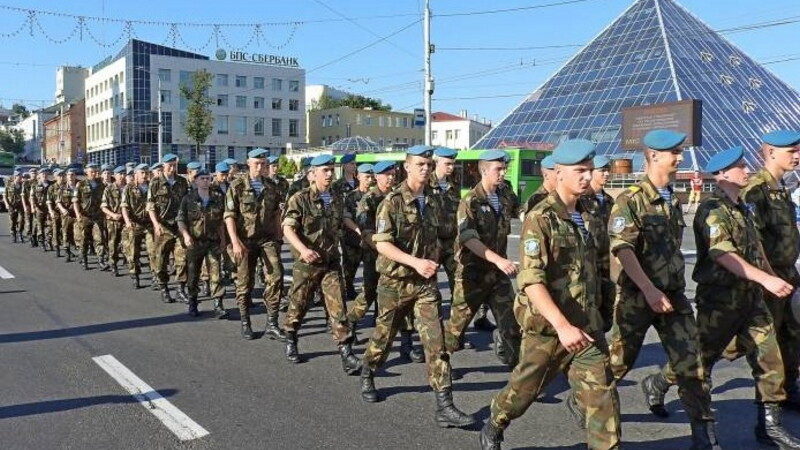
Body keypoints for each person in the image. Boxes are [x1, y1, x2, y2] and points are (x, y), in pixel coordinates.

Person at [647, 145, 800, 448]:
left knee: (770, 357)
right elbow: (722, 254)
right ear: (723, 175)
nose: (747, 171)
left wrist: (772, 277)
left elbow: (756, 250)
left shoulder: (744, 206)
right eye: (740, 168)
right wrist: (765, 279)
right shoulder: (711, 209)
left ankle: (768, 426)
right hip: (720, 299)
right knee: (702, 359)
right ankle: (663, 385)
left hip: (751, 298)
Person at [480, 139, 620, 450]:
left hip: (586, 325)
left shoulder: (591, 213)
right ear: (558, 174)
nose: (587, 176)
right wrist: (561, 326)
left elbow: (599, 266)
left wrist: (604, 310)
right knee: (526, 388)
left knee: (603, 399)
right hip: (548, 326)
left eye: (589, 170)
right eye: (579, 171)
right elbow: (531, 280)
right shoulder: (541, 217)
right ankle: (497, 419)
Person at [607, 129, 716, 447]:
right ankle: (588, 401)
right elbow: (623, 249)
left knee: (692, 364)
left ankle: (703, 433)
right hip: (639, 296)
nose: (680, 158)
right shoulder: (631, 200)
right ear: (654, 156)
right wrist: (649, 290)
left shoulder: (673, 199)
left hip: (674, 296)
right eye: (675, 153)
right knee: (619, 362)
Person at [358, 146, 475, 429]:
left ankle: (444, 404)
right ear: (407, 167)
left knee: (436, 342)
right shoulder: (392, 202)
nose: (426, 168)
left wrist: (449, 258)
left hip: (425, 285)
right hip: (395, 282)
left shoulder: (434, 200)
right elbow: (382, 244)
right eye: (420, 164)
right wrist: (415, 262)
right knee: (384, 338)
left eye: (429, 164)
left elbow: (445, 235)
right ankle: (368, 371)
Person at [280, 154, 360, 374]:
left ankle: (347, 353)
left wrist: (358, 230)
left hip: (331, 261)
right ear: (312, 174)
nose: (329, 174)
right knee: (298, 305)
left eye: (331, 170)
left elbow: (344, 218)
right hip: (308, 263)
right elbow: (287, 228)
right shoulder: (300, 198)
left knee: (338, 308)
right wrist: (303, 250)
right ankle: (291, 337)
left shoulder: (336, 196)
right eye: (325, 170)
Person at [740, 129, 800, 410]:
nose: (798, 156)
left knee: (791, 334)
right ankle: (664, 380)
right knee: (752, 345)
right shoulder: (756, 190)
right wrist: (769, 277)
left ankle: (789, 389)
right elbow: (754, 240)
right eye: (792, 152)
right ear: (771, 153)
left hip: (788, 274)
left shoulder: (781, 188)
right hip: (769, 278)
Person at [444, 150, 521, 368]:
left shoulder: (505, 194)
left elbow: (520, 212)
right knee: (455, 330)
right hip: (473, 274)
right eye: (498, 169)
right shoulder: (471, 200)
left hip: (498, 275)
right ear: (484, 171)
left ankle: (518, 375)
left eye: (504, 168)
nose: (503, 173)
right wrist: (498, 260)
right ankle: (440, 365)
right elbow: (468, 237)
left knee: (512, 324)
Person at [224, 148, 286, 339]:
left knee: (276, 276)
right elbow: (229, 216)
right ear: (248, 164)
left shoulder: (271, 186)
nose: (261, 167)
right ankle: (245, 321)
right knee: (244, 282)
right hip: (245, 241)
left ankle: (272, 322)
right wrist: (235, 242)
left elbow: (276, 212)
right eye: (257, 163)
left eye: (264, 163)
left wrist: (278, 236)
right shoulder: (237, 186)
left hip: (266, 239)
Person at [178, 168, 227, 317]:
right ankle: (193, 302)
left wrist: (224, 240)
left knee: (216, 272)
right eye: (202, 178)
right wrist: (186, 236)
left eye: (207, 178)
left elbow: (221, 222)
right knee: (193, 274)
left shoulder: (218, 197)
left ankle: (218, 304)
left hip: (212, 241)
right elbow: (181, 220)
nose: (206, 181)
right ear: (195, 181)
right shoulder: (188, 199)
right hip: (195, 242)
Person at [147, 153, 190, 303]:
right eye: (170, 165)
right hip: (163, 226)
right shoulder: (155, 183)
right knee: (161, 259)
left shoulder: (182, 182)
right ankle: (164, 287)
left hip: (179, 225)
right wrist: (156, 224)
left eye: (175, 165)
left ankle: (180, 288)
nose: (172, 168)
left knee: (182, 258)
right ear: (163, 166)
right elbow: (150, 206)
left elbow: (187, 203)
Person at [578, 154, 615, 331]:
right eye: (602, 171)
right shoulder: (581, 200)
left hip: (607, 264)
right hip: (588, 265)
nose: (606, 174)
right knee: (589, 311)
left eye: (608, 170)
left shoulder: (610, 201)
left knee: (607, 313)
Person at [341, 163, 374, 300]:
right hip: (353, 240)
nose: (370, 180)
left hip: (371, 242)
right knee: (349, 271)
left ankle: (368, 292)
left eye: (372, 177)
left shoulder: (375, 196)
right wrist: (359, 231)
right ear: (358, 176)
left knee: (371, 271)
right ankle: (347, 289)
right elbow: (346, 218)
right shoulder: (351, 197)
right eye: (367, 177)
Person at [122, 164, 154, 289]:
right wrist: (128, 221)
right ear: (135, 174)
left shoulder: (152, 186)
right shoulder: (129, 188)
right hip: (135, 223)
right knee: (133, 252)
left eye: (146, 172)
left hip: (149, 224)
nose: (145, 175)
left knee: (153, 251)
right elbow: (124, 206)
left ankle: (155, 276)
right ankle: (135, 275)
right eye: (142, 173)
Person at [73, 163, 107, 270]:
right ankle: (84, 259)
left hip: (97, 215)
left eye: (95, 171)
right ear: (86, 172)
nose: (93, 173)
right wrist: (78, 214)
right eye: (91, 172)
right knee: (84, 239)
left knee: (99, 238)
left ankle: (100, 260)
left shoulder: (101, 184)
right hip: (85, 216)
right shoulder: (81, 184)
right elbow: (75, 201)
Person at [101, 166, 127, 276]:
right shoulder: (109, 189)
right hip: (113, 221)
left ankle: (131, 264)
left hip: (126, 220)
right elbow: (103, 206)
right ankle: (113, 264)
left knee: (127, 243)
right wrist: (113, 215)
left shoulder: (128, 188)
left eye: (123, 174)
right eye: (119, 174)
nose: (122, 176)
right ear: (115, 176)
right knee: (113, 243)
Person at [57, 168, 79, 262]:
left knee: (78, 234)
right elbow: (58, 201)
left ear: (75, 176)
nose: (71, 176)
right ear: (66, 176)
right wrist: (62, 210)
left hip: (77, 214)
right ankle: (67, 253)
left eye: (72, 174)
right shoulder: (62, 188)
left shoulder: (79, 186)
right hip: (67, 214)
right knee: (66, 233)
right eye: (69, 175)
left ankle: (81, 253)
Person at [30, 167, 53, 251]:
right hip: (39, 209)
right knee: (40, 226)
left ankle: (48, 241)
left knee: (50, 225)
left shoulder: (51, 184)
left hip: (49, 209)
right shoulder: (35, 185)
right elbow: (32, 197)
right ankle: (41, 242)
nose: (44, 175)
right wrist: (33, 207)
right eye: (42, 174)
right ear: (39, 175)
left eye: (46, 174)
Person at [45, 169, 66, 257]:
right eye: (59, 176)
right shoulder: (52, 187)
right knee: (56, 229)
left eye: (62, 175)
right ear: (55, 177)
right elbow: (49, 201)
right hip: (56, 211)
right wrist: (51, 212)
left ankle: (66, 247)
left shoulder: (66, 186)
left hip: (65, 211)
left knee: (65, 230)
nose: (61, 177)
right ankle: (57, 247)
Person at [4, 170, 25, 243]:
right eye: (18, 176)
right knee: (12, 221)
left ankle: (20, 233)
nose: (19, 177)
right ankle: (13, 234)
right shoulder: (9, 185)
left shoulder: (22, 185)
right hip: (12, 205)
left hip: (20, 205)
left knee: (22, 219)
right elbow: (5, 196)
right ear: (15, 176)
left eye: (20, 176)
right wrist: (6, 204)